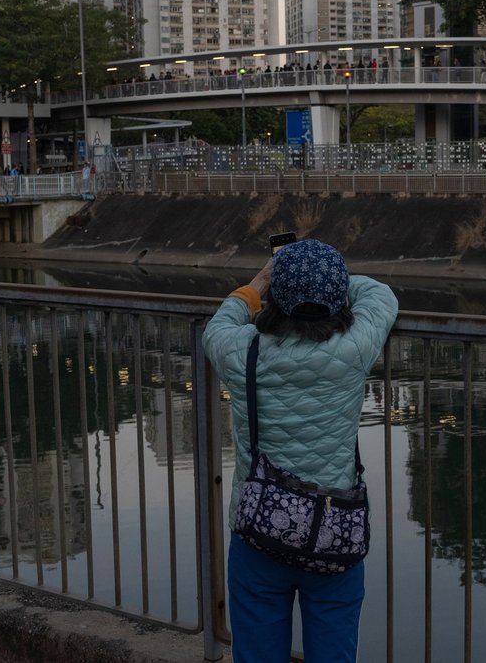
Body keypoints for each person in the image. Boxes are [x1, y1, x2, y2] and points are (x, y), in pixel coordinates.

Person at [202, 239, 398, 663]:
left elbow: (218, 325)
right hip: (334, 532)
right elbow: (380, 295)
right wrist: (328, 279)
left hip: (259, 530)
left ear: (276, 298)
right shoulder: (355, 348)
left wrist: (261, 281)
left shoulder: (243, 351)